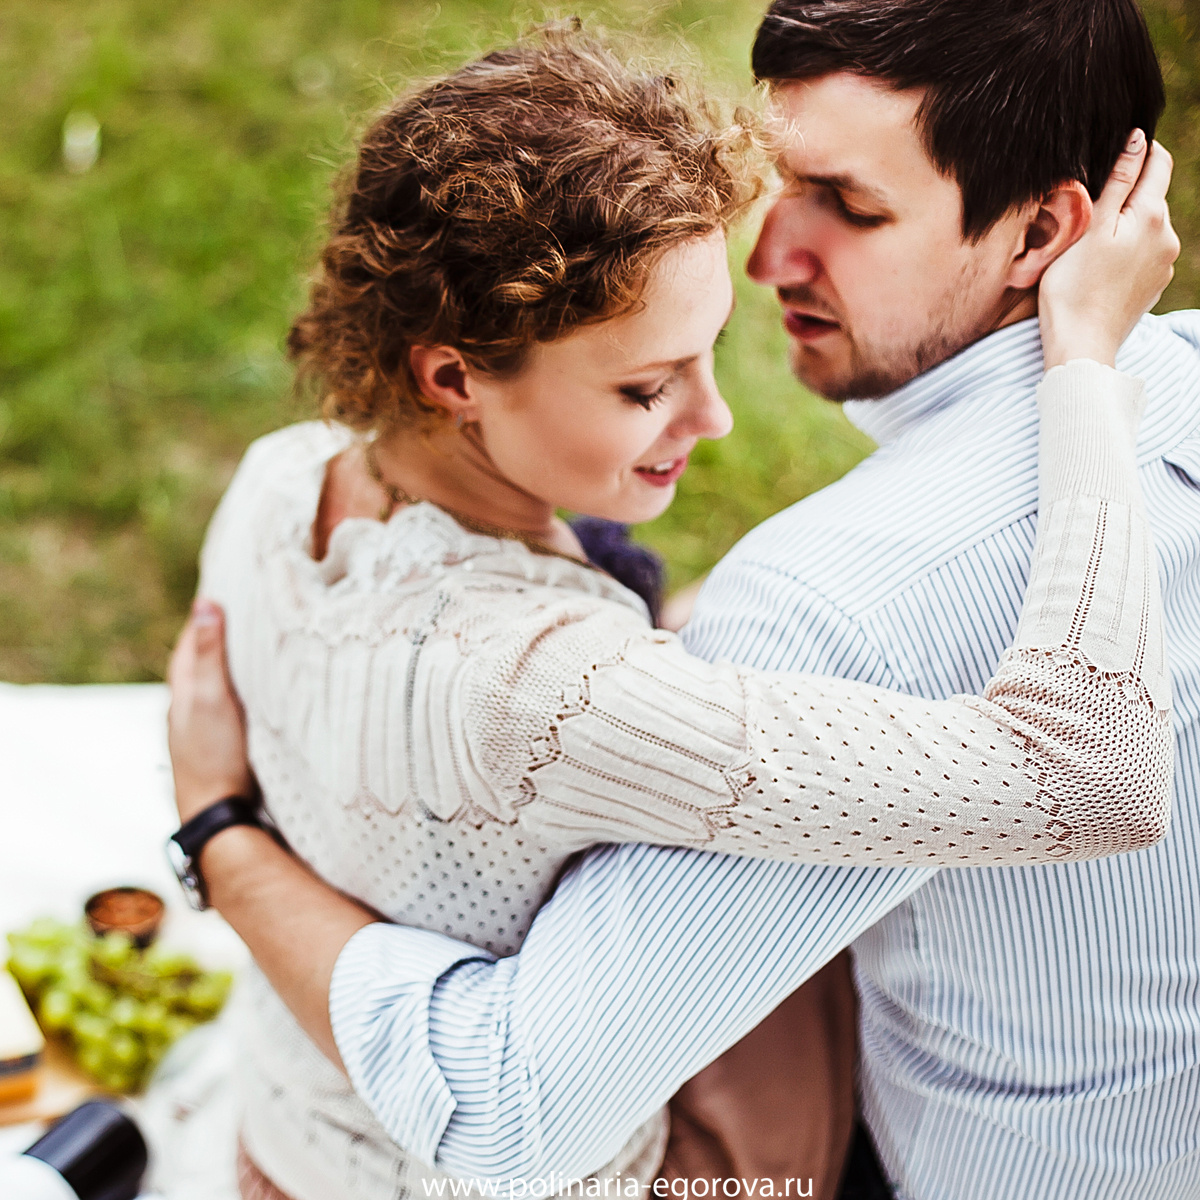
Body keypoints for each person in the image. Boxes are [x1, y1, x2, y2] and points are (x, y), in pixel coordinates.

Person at [166, 9, 1187, 1200]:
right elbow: (1090, 779)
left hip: (297, 1130)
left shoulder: (280, 474)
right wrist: (1087, 361)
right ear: (453, 377)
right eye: (650, 385)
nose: (718, 419)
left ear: (1042, 231)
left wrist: (219, 821)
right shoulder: (578, 687)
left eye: (849, 205)